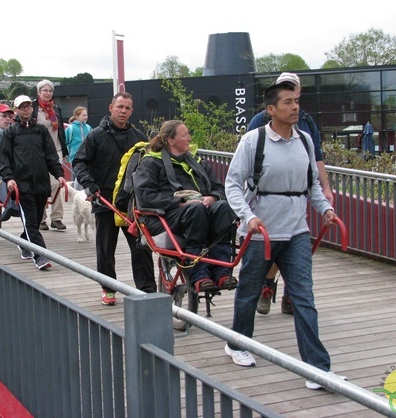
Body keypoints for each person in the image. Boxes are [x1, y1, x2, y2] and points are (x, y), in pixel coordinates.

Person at [224, 82, 346, 390]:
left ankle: (317, 369)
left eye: (296, 102)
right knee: (249, 293)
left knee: (304, 298)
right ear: (271, 109)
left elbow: (312, 185)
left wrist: (324, 210)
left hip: (296, 233)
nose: (295, 107)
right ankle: (237, 344)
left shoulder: (304, 140)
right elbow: (232, 184)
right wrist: (248, 217)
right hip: (260, 233)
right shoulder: (254, 141)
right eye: (288, 102)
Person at [248, 72, 334, 316]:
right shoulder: (258, 122)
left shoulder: (306, 125)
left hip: (297, 198)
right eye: (285, 92)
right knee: (275, 247)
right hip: (267, 204)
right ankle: (266, 286)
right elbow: (246, 166)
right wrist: (245, 214)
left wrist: (325, 190)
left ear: (299, 92)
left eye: (294, 91)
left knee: (296, 249)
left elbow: (316, 158)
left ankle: (291, 295)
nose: (293, 99)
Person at [134, 120, 237, 292]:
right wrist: (180, 203)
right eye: (185, 134)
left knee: (223, 207)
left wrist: (212, 197)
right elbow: (146, 197)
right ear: (171, 140)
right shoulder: (151, 163)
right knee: (195, 210)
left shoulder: (196, 161)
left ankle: (222, 270)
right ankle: (198, 273)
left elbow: (219, 187)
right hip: (164, 216)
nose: (189, 138)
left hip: (198, 211)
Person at [73, 92, 156, 306]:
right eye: (120, 107)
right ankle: (108, 288)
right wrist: (89, 184)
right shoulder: (96, 135)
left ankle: (147, 291)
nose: (123, 111)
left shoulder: (138, 138)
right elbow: (79, 162)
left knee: (141, 247)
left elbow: (149, 166)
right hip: (104, 199)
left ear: (131, 111)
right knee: (105, 248)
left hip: (130, 202)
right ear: (111, 108)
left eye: (127, 108)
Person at [0, 95, 67, 270]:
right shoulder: (10, 133)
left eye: (28, 107)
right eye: (22, 107)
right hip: (22, 185)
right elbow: (3, 159)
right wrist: (9, 178)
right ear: (16, 111)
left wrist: (59, 175)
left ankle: (23, 241)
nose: (26, 110)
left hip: (41, 183)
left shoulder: (41, 131)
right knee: (30, 221)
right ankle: (40, 256)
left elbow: (51, 155)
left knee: (35, 222)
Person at [32, 80, 68, 231]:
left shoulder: (56, 109)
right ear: (39, 92)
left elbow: (60, 131)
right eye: (44, 90)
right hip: (38, 152)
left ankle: (57, 218)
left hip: (56, 150)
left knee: (56, 184)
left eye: (50, 91)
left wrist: (64, 151)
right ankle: (41, 218)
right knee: (40, 184)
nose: (47, 93)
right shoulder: (33, 109)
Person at [65, 106, 92, 189]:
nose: (86, 117)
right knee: (77, 177)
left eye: (86, 115)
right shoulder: (71, 128)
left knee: (86, 176)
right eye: (83, 115)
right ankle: (76, 194)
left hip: (87, 157)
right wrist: (67, 156)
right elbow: (65, 142)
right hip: (75, 158)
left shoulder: (88, 127)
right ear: (77, 116)